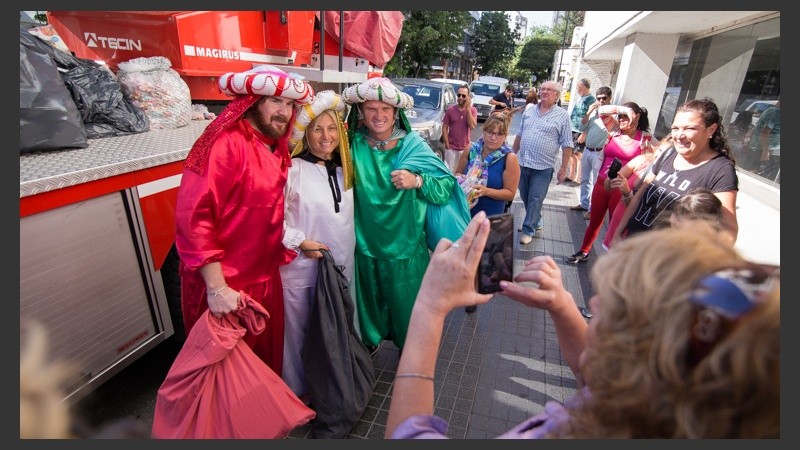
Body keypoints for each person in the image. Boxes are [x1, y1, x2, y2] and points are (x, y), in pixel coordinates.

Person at [384, 214, 780, 438]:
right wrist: (562, 307)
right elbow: (604, 382)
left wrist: (429, 308)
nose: (592, 302)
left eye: (615, 306)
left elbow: (410, 436)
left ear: (649, 353)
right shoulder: (674, 411)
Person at [175, 65, 314, 375]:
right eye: (275, 101)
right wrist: (216, 289)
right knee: (223, 384)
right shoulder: (225, 143)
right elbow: (194, 217)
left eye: (290, 104)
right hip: (228, 291)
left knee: (261, 377)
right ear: (252, 101)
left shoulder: (272, 146)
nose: (284, 111)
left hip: (263, 283)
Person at [341, 77, 469, 353]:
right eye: (372, 109)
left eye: (385, 109)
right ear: (361, 113)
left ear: (395, 113)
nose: (379, 116)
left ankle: (410, 354)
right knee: (370, 308)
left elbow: (446, 186)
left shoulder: (412, 145)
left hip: (406, 247)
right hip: (364, 247)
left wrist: (417, 181)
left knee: (407, 311)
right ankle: (369, 344)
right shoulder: (351, 144)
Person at [279, 90, 354, 398]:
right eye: (318, 129)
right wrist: (300, 241)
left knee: (334, 332)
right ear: (305, 134)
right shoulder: (291, 171)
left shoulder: (345, 170)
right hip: (302, 273)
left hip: (340, 271)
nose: (327, 136)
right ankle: (295, 394)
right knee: (299, 336)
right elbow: (269, 220)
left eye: (332, 127)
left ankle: (330, 390)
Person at [611, 98, 739, 247]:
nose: (679, 135)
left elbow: (728, 229)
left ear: (711, 130)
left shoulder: (720, 169)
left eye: (689, 128)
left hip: (668, 260)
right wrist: (618, 232)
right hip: (635, 246)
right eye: (675, 128)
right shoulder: (669, 153)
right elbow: (639, 197)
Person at [566, 101, 654, 265]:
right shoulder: (614, 131)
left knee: (617, 224)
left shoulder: (645, 139)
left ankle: (612, 260)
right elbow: (602, 111)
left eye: (625, 117)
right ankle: (584, 251)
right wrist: (624, 109)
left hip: (621, 189)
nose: (621, 119)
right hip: (601, 183)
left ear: (637, 117)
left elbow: (655, 158)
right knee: (594, 221)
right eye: (619, 116)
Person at [455, 114, 520, 313]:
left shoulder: (509, 158)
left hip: (490, 215)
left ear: (505, 136)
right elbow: (456, 174)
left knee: (483, 258)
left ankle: (474, 294)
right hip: (465, 211)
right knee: (466, 254)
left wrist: (486, 191)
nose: (493, 137)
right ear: (483, 131)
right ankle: (468, 288)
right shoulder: (471, 149)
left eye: (499, 134)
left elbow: (510, 193)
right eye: (490, 132)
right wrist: (461, 180)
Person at [513, 80, 573, 245]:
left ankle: (528, 229)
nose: (545, 92)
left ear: (557, 95)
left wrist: (563, 168)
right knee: (525, 196)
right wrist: (511, 154)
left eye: (549, 90)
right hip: (524, 163)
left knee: (535, 199)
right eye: (543, 89)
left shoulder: (562, 116)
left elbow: (568, 143)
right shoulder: (530, 110)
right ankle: (536, 220)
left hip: (543, 167)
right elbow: (519, 134)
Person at [601, 134, 672, 252]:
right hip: (618, 221)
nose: (659, 155)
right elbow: (608, 186)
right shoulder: (642, 160)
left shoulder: (665, 177)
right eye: (659, 150)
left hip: (635, 230)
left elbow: (641, 209)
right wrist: (611, 177)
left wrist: (627, 193)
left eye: (665, 155)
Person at [570, 86, 614, 216]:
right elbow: (581, 125)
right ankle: (583, 203)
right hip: (588, 150)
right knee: (584, 178)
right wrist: (589, 112)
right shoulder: (594, 112)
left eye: (604, 98)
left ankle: (592, 209)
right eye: (598, 98)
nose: (601, 101)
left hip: (599, 152)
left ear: (609, 98)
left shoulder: (612, 114)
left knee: (595, 181)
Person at [442, 84, 478, 173]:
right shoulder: (451, 110)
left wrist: (468, 109)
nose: (460, 97)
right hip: (451, 149)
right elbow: (444, 128)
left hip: (464, 150)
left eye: (463, 95)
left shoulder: (473, 110)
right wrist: (447, 145)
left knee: (461, 174)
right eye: (459, 95)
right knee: (449, 173)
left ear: (468, 97)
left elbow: (472, 126)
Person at [566, 78, 595, 184]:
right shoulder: (581, 97)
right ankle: (571, 174)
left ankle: (578, 178)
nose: (577, 89)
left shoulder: (590, 100)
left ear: (583, 86)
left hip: (580, 130)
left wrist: (584, 133)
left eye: (578, 87)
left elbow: (590, 117)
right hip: (573, 129)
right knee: (571, 153)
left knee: (579, 154)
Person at [749, 100, 780, 180]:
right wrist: (765, 151)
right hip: (762, 150)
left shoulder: (775, 112)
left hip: (768, 150)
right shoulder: (775, 112)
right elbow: (765, 133)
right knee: (756, 175)